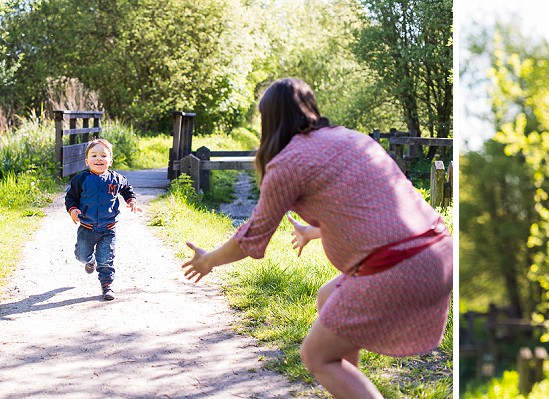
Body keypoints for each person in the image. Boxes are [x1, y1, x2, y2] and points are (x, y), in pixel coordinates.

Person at [179, 77, 453, 399]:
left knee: (316, 356)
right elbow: (375, 211)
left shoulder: (287, 163)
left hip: (399, 266)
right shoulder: (351, 139)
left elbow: (251, 237)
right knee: (327, 298)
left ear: (270, 120)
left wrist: (209, 260)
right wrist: (313, 231)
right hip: (440, 253)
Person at [65, 138, 142, 301]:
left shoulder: (116, 179)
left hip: (108, 228)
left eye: (103, 155)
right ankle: (89, 260)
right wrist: (73, 210)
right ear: (87, 161)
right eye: (94, 155)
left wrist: (131, 201)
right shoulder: (81, 179)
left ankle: (107, 286)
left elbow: (127, 189)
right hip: (87, 227)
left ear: (110, 161)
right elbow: (71, 197)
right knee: (81, 256)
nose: (98, 158)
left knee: (106, 259)